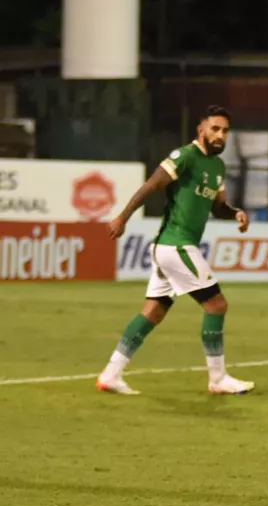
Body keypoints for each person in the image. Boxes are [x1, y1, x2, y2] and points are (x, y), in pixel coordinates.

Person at [97, 105, 256, 396]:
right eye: (215, 129)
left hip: (173, 246)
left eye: (225, 131)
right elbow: (151, 185)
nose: (220, 135)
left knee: (154, 312)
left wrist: (234, 213)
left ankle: (111, 374)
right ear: (201, 130)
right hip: (175, 243)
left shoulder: (217, 167)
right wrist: (122, 216)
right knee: (216, 305)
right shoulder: (184, 156)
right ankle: (218, 379)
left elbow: (218, 208)